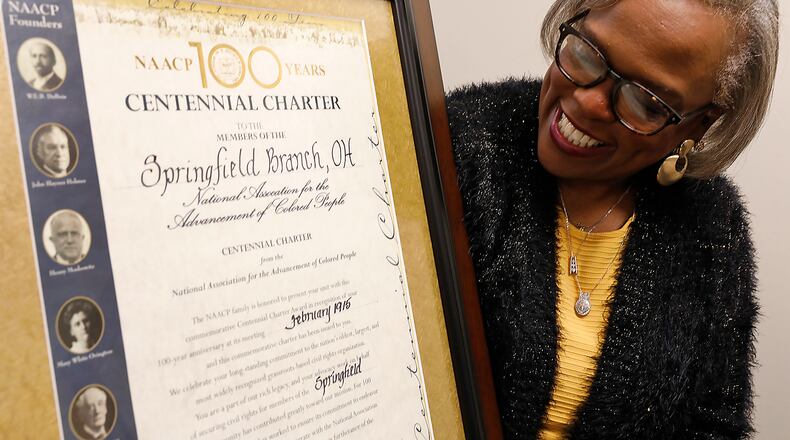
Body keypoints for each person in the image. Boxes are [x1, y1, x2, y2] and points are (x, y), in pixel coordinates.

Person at [446, 0, 778, 438]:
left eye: (644, 101)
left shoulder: (713, 230)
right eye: (586, 54)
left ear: (699, 125)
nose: (586, 102)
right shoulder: (455, 148)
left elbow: (714, 425)